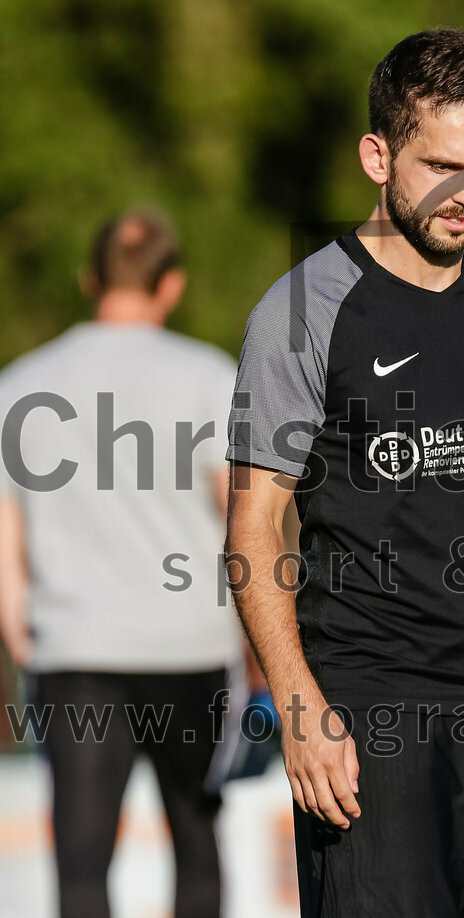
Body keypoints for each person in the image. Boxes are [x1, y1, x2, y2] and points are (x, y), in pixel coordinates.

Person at [224, 28, 464, 917]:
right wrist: (299, 709)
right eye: (443, 166)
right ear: (377, 155)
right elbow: (253, 527)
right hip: (370, 727)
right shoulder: (300, 313)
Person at [0, 209, 244, 918]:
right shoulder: (208, 376)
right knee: (197, 843)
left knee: (81, 864)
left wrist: (24, 639)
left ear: (90, 279)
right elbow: (244, 525)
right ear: (171, 285)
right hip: (193, 649)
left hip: (75, 653)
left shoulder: (20, 385)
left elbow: (6, 540)